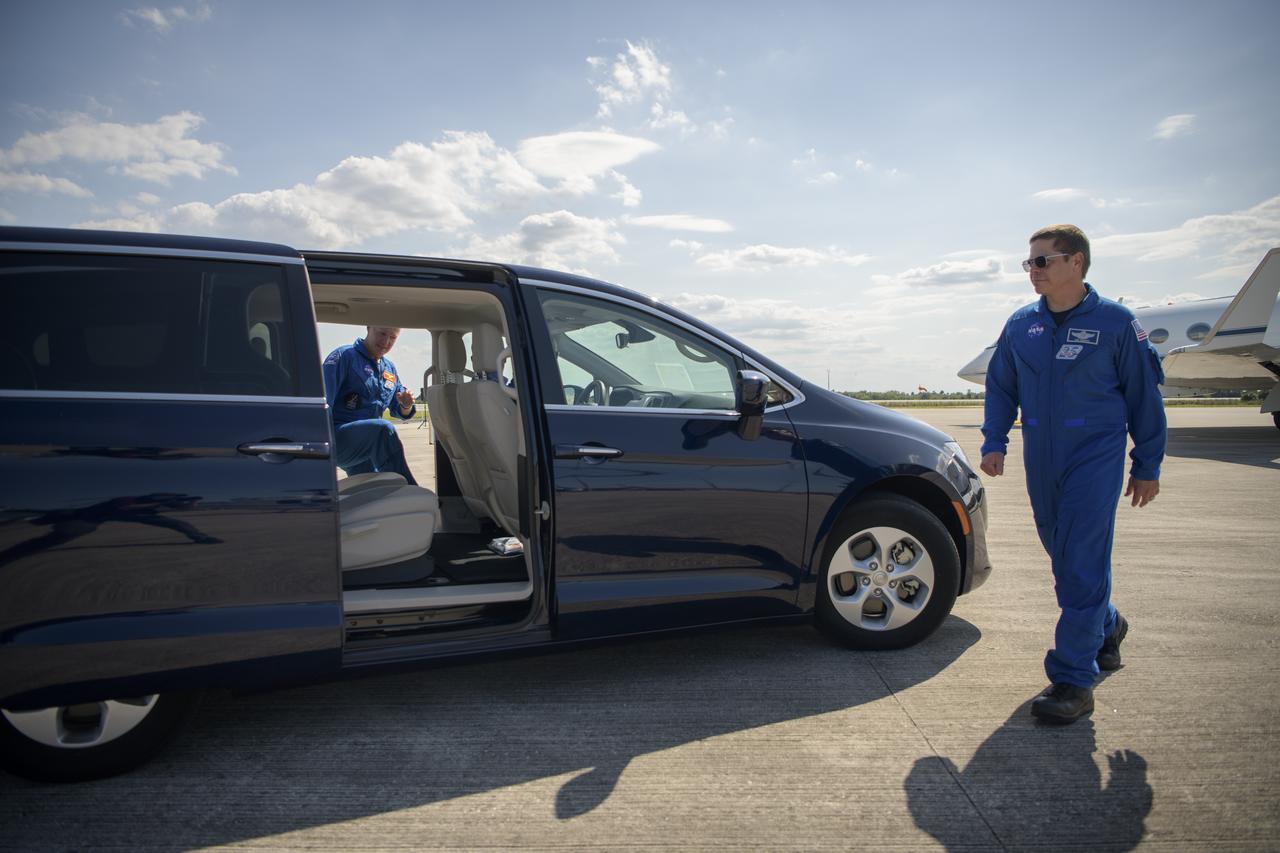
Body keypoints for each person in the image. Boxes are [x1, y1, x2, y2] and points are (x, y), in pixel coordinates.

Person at [980, 224, 1166, 724]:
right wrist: (994, 440)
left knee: (1081, 559)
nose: (1033, 271)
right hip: (1042, 454)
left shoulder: (1117, 323)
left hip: (1096, 453)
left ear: (1076, 262)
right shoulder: (1021, 324)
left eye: (1042, 261)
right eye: (1029, 263)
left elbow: (1144, 397)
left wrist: (1146, 463)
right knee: (1062, 556)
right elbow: (1001, 386)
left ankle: (1073, 680)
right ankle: (1107, 624)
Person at [323, 326, 419, 485]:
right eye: (382, 333)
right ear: (368, 327)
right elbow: (323, 403)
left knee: (374, 492)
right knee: (383, 430)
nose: (385, 342)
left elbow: (399, 409)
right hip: (338, 439)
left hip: (367, 445)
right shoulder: (344, 357)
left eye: (392, 337)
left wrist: (406, 405)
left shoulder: (389, 369)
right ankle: (409, 489)